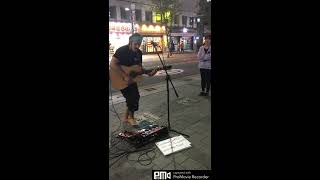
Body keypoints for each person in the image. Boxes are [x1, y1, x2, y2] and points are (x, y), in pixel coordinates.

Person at [110, 33, 157, 127]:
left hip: (131, 80)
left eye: (139, 44)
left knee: (135, 97)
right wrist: (124, 75)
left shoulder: (138, 52)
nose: (137, 46)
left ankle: (125, 117)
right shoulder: (122, 50)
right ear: (130, 42)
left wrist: (148, 73)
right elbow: (112, 64)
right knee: (132, 98)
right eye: (135, 44)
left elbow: (138, 67)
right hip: (120, 79)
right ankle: (131, 118)